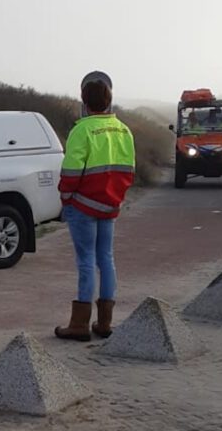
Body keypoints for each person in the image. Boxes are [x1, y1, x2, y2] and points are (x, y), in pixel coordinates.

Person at [55, 71, 135, 342]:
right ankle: (104, 323)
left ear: (84, 101)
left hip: (83, 207)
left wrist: (66, 198)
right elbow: (129, 171)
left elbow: (71, 172)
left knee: (86, 261)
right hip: (109, 206)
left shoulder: (82, 130)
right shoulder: (123, 130)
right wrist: (115, 197)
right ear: (109, 100)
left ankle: (79, 325)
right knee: (106, 259)